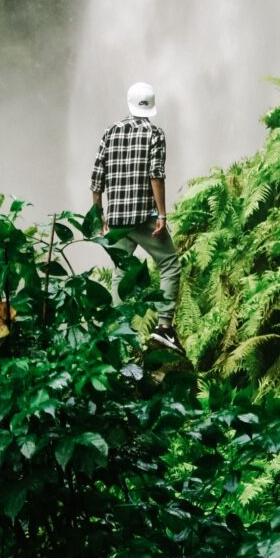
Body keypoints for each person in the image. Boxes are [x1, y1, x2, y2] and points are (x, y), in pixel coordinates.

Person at [91, 81, 185, 355]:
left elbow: (97, 177)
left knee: (121, 270)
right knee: (169, 263)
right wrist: (162, 213)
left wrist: (99, 216)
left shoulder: (110, 131)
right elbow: (156, 173)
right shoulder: (155, 134)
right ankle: (164, 328)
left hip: (117, 216)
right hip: (143, 215)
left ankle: (117, 333)